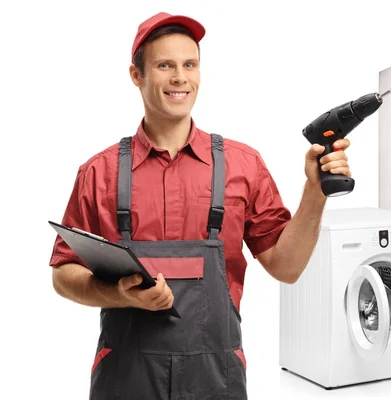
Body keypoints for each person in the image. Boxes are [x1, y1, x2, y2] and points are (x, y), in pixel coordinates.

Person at [48, 11, 351, 400]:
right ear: (136, 75)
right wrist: (119, 295)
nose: (180, 78)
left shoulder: (243, 165)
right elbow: (62, 273)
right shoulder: (99, 172)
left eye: (190, 65)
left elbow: (287, 267)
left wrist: (315, 191)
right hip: (125, 378)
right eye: (164, 65)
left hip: (215, 380)